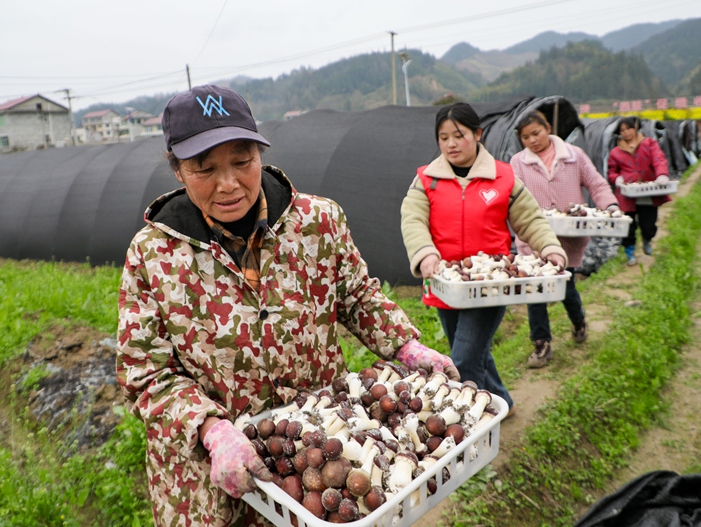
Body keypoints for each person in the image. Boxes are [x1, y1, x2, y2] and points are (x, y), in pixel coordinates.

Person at [115, 84, 459, 527]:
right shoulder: (153, 254)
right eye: (204, 169)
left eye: (243, 162)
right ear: (177, 171)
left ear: (260, 154)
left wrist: (407, 346)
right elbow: (145, 372)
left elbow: (356, 295)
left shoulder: (317, 222)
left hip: (316, 454)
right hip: (208, 485)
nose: (228, 184)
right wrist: (210, 429)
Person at [400, 102, 567, 415]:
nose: (451, 143)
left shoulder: (502, 177)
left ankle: (475, 420)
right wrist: (425, 254)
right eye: (444, 137)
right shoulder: (427, 180)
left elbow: (529, 218)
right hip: (445, 282)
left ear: (477, 134)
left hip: (489, 284)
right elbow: (412, 219)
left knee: (463, 360)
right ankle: (506, 402)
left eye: (459, 135)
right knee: (475, 353)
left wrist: (550, 247)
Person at [510, 110, 619, 368]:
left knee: (565, 287)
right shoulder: (518, 162)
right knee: (535, 289)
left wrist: (611, 206)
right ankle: (541, 344)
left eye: (536, 133)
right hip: (533, 239)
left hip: (569, 238)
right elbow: (512, 196)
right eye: (526, 137)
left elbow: (596, 184)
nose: (532, 140)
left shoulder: (573, 155)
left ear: (547, 127)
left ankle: (578, 320)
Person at [607, 116, 670, 266]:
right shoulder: (616, 152)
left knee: (648, 222)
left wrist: (661, 174)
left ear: (635, 128)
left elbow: (658, 159)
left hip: (647, 190)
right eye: (622, 130)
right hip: (626, 194)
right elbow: (611, 171)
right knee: (628, 225)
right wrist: (617, 179)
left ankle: (647, 239)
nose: (626, 132)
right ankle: (630, 253)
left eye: (628, 128)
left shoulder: (648, 143)